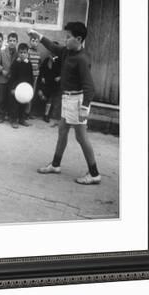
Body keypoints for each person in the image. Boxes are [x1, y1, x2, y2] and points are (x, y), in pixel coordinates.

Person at [29, 22, 101, 185]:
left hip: (78, 101)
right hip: (68, 99)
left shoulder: (82, 59)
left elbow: (89, 86)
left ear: (79, 39)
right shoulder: (67, 52)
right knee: (62, 130)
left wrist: (84, 107)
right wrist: (38, 36)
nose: (65, 40)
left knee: (81, 137)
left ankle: (94, 173)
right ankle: (55, 165)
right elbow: (53, 47)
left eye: (68, 37)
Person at [8, 43, 34, 128]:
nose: (22, 54)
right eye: (21, 52)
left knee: (23, 104)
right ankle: (13, 120)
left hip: (25, 89)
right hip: (16, 89)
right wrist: (12, 88)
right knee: (15, 105)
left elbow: (30, 77)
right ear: (18, 53)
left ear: (27, 53)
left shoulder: (29, 63)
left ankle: (21, 119)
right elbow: (12, 77)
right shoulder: (15, 63)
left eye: (24, 52)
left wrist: (31, 88)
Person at [0, 32, 18, 123]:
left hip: (13, 80)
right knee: (1, 99)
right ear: (7, 42)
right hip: (3, 79)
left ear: (17, 42)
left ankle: (12, 117)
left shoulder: (18, 53)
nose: (12, 42)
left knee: (12, 99)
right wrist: (2, 70)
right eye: (10, 41)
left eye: (14, 41)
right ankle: (1, 115)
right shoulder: (2, 52)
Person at [37, 51, 62, 123]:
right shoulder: (47, 60)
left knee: (50, 99)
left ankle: (46, 115)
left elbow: (63, 70)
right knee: (42, 95)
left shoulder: (59, 60)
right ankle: (41, 111)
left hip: (54, 83)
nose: (53, 53)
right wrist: (42, 77)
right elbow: (42, 69)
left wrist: (60, 77)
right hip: (46, 82)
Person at [26, 35, 41, 118]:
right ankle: (24, 112)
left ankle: (28, 112)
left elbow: (39, 63)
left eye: (36, 41)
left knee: (32, 94)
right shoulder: (27, 52)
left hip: (35, 77)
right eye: (33, 41)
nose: (34, 43)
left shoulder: (38, 53)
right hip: (29, 76)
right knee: (26, 94)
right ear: (30, 42)